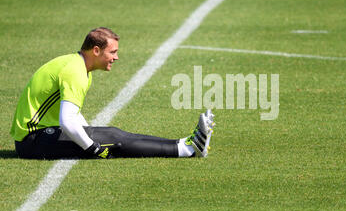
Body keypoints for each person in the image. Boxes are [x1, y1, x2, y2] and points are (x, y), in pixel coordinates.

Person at [10, 27, 215, 159]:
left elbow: (72, 117)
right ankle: (186, 151)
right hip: (33, 142)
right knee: (114, 138)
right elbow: (67, 121)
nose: (116, 58)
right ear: (96, 51)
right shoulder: (75, 71)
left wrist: (91, 134)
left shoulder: (77, 66)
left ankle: (184, 142)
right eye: (112, 52)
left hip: (39, 136)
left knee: (113, 134)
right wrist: (92, 147)